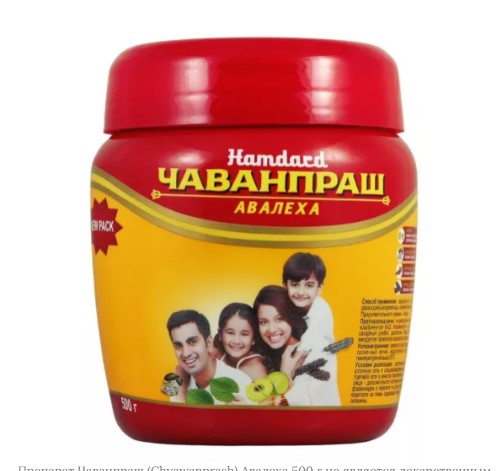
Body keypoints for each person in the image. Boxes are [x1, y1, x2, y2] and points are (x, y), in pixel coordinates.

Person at [254, 285, 340, 406]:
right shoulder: (266, 357)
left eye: (279, 319)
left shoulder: (312, 353)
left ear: (291, 318)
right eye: (263, 322)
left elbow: (310, 409)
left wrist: (285, 377)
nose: (271, 329)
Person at [166, 309, 253, 405]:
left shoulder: (241, 383)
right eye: (178, 345)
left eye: (192, 342)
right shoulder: (177, 379)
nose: (185, 353)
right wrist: (180, 392)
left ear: (209, 343)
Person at [283, 252, 335, 351]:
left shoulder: (321, 311)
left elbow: (304, 350)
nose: (301, 292)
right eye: (294, 285)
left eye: (309, 285)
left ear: (319, 289)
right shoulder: (285, 302)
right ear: (285, 286)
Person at [213, 302, 268, 381]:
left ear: (253, 339)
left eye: (244, 334)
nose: (237, 341)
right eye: (230, 333)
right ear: (220, 335)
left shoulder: (256, 369)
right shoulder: (215, 353)